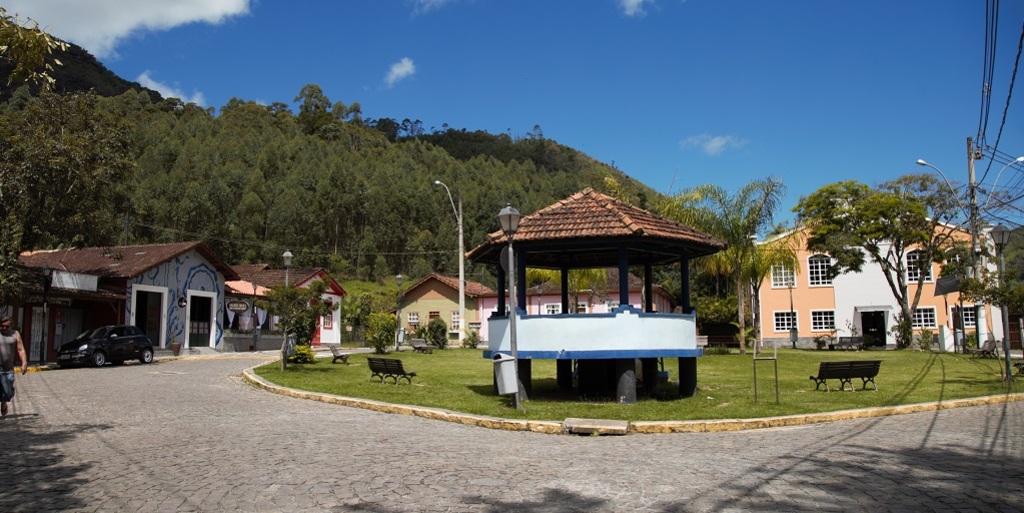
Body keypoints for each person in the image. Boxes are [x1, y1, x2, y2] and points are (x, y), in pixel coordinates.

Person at [0, 315, 28, 417]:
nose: (4, 328)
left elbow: (20, 349)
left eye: (7, 326)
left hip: (8, 369)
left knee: (8, 393)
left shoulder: (15, 334)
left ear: (11, 325)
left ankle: (3, 404)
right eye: (2, 326)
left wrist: (24, 363)